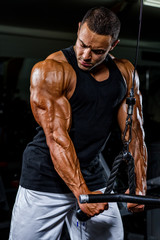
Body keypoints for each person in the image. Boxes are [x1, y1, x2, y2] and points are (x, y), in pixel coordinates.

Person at [9, 6, 147, 240]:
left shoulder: (124, 73)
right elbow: (56, 138)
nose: (85, 56)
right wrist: (81, 193)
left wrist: (139, 185)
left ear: (113, 45)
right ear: (78, 30)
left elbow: (134, 132)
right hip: (44, 179)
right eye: (82, 44)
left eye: (97, 51)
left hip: (93, 175)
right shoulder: (52, 70)